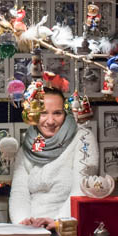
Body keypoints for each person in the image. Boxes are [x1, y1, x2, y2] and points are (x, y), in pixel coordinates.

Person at [8, 86, 97, 228]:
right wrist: (22, 222)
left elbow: (82, 188)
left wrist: (59, 221)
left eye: (57, 113)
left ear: (66, 113)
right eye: (43, 113)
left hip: (69, 227)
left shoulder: (83, 138)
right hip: (32, 231)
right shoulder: (28, 144)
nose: (50, 121)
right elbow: (19, 191)